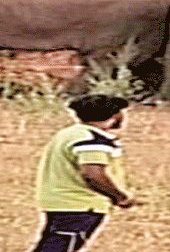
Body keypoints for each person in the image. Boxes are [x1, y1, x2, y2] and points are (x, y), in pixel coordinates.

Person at [30, 95, 139, 252]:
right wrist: (119, 197)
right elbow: (92, 175)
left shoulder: (67, 134)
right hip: (81, 205)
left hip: (57, 200)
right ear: (116, 116)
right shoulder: (94, 140)